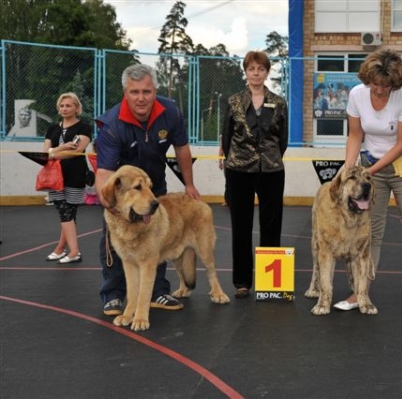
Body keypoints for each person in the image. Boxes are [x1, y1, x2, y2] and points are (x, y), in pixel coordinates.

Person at [333, 49, 402, 318]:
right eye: (375, 85)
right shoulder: (356, 95)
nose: (379, 91)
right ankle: (360, 293)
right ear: (367, 79)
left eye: (385, 86)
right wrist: (348, 171)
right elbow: (355, 135)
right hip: (370, 167)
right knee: (368, 233)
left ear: (395, 83)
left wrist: (368, 171)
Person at [94, 64, 202, 316]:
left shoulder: (170, 112)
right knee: (114, 237)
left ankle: (157, 292)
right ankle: (113, 293)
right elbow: (105, 172)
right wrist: (108, 201)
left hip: (154, 183)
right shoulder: (112, 124)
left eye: (146, 91)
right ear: (125, 92)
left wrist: (189, 184)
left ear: (155, 91)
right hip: (124, 191)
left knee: (158, 235)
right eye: (134, 92)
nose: (141, 98)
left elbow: (182, 148)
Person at [221, 50, 288, 298]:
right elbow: (227, 136)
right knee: (241, 226)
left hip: (271, 170)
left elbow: (283, 140)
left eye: (261, 69)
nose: (256, 73)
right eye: (252, 69)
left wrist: (269, 157)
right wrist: (231, 160)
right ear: (246, 72)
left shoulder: (279, 102)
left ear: (267, 72)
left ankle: (271, 282)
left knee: (271, 225)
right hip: (239, 170)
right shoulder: (233, 101)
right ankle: (242, 281)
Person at [43, 92, 92, 264]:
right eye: (62, 106)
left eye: (69, 105)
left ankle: (69, 251)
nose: (65, 108)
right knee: (65, 212)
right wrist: (62, 147)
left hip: (75, 175)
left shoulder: (84, 128)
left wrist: (53, 153)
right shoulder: (52, 128)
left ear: (77, 108)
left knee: (69, 213)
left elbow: (76, 152)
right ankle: (69, 250)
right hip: (54, 176)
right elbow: (46, 152)